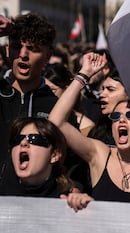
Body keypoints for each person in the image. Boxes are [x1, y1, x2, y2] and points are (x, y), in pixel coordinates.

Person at [48, 52, 130, 204]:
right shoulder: (100, 155)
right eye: (116, 117)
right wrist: (83, 75)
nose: (122, 121)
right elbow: (56, 121)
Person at [0, 13, 77, 192]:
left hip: (35, 209)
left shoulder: (56, 106)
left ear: (48, 55)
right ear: (7, 49)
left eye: (32, 48)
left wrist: (74, 190)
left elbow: (72, 164)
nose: (23, 54)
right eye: (17, 46)